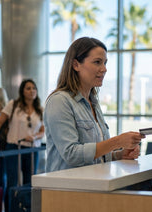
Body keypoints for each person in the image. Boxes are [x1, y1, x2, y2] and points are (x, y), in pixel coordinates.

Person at [44, 37, 144, 172]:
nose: (104, 69)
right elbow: (72, 154)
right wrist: (117, 142)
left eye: (105, 63)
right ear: (76, 65)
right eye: (97, 62)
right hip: (66, 190)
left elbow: (96, 157)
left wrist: (119, 155)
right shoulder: (60, 101)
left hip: (94, 185)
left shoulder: (94, 103)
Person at [0, 79, 44, 212]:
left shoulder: (40, 109)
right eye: (28, 88)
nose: (32, 91)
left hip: (32, 149)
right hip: (13, 146)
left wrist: (35, 137)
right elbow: (0, 121)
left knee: (29, 182)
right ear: (22, 91)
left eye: (34, 88)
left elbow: (43, 130)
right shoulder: (13, 105)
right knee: (12, 182)